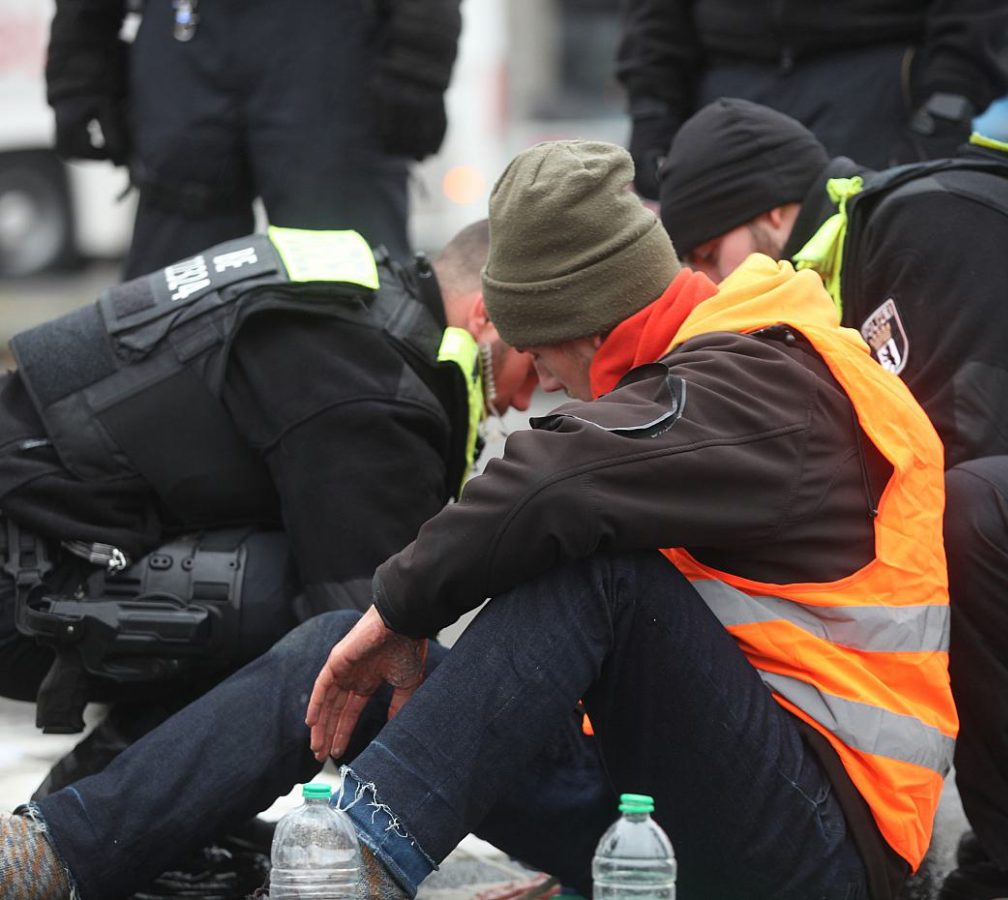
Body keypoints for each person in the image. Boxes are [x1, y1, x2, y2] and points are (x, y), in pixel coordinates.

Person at [1, 140, 956, 900]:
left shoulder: (761, 377)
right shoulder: (699, 384)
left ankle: (360, 865)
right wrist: (379, 634)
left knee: (593, 572)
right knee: (341, 651)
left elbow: (559, 481)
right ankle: (55, 857)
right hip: (690, 805)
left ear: (590, 325)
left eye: (543, 359)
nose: (538, 390)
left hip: (823, 848)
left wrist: (402, 609)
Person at [654, 97, 1008, 896]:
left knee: (965, 522)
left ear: (775, 211)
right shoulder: (863, 268)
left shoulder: (926, 225)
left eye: (709, 252)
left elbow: (940, 486)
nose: (704, 283)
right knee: (978, 525)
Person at [0, 221, 536, 799]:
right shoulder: (369, 385)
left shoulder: (351, 296)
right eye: (531, 366)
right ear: (483, 317)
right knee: (326, 628)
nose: (528, 398)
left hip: (43, 540)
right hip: (25, 590)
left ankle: (123, 812)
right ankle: (99, 817)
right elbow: (371, 640)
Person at [45, 0, 461, 278]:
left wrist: (418, 64)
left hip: (328, 38)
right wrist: (80, 61)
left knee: (347, 277)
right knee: (173, 289)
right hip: (188, 29)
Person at [616, 0, 1008, 200]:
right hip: (725, 89)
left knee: (874, 291)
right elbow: (655, 15)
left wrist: (947, 101)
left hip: (880, 87)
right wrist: (653, 113)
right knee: (728, 306)